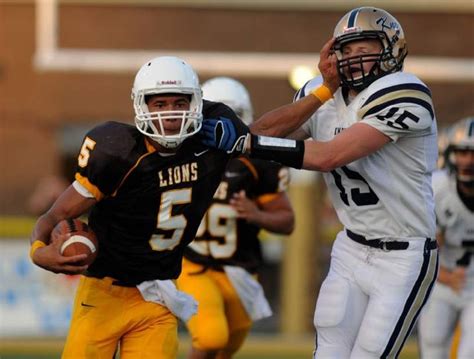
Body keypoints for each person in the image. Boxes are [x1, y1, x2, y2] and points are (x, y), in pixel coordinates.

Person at [199, 7, 439, 358]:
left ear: (392, 49)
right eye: (347, 49)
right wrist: (323, 92)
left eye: (365, 48)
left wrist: (251, 143)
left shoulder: (405, 92)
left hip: (404, 255)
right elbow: (262, 132)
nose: (354, 58)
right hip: (352, 247)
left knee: (370, 354)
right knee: (327, 351)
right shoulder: (323, 93)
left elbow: (329, 156)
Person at [28, 56, 249, 359]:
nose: (170, 113)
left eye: (178, 102)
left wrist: (319, 94)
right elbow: (56, 214)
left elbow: (267, 134)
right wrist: (38, 250)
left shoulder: (210, 147)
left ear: (196, 103)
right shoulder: (117, 151)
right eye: (159, 104)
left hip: (157, 296)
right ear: (141, 105)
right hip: (104, 293)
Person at [177, 77, 295, 359]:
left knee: (227, 347)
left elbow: (287, 221)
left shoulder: (258, 164)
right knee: (210, 337)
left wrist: (256, 214)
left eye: (232, 118)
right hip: (194, 264)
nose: (222, 130)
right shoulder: (184, 155)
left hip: (240, 269)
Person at [418, 117, 474, 359]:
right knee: (433, 346)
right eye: (463, 152)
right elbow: (422, 247)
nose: (468, 161)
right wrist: (443, 275)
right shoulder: (437, 188)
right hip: (442, 279)